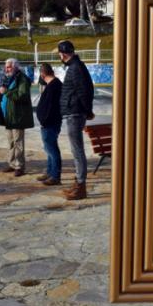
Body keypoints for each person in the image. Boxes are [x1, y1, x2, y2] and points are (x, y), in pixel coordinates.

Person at [57, 40, 94, 200]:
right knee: (76, 150)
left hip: (75, 113)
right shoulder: (76, 66)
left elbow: (84, 91)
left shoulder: (75, 68)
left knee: (77, 151)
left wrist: (87, 111)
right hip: (75, 112)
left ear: (62, 54)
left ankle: (81, 186)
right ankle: (77, 183)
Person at [0, 58, 34, 176]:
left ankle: (19, 166)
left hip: (17, 116)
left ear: (16, 67)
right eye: (6, 67)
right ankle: (11, 163)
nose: (6, 69)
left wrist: (6, 92)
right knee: (10, 142)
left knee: (18, 142)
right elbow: (2, 97)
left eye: (9, 67)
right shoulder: (7, 78)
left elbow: (22, 95)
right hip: (8, 116)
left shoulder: (22, 79)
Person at [35, 63, 63, 186]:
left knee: (52, 149)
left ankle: (55, 176)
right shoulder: (53, 85)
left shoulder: (53, 87)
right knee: (49, 149)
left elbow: (50, 107)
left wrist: (44, 121)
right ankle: (50, 172)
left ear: (43, 74)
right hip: (50, 122)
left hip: (50, 123)